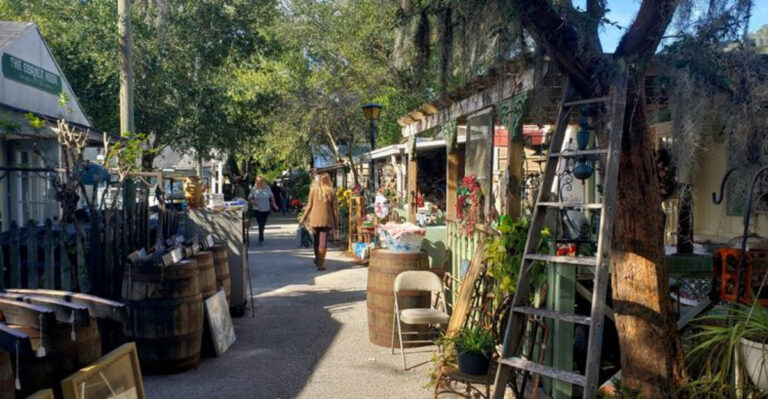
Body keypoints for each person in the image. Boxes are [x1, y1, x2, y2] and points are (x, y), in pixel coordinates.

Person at [298, 173, 338, 271]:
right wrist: (336, 223)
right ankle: (320, 263)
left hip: (315, 220)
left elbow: (309, 206)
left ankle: (317, 259)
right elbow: (335, 210)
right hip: (326, 220)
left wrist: (303, 218)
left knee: (316, 241)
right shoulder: (331, 192)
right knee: (323, 242)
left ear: (319, 180)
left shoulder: (313, 190)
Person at [248, 176, 279, 245]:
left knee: (263, 224)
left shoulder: (267, 188)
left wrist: (274, 204)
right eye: (259, 181)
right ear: (257, 181)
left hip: (266, 208)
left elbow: (272, 196)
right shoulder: (254, 189)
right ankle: (261, 238)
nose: (260, 183)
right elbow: (249, 198)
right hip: (257, 209)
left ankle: (261, 235)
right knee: (260, 224)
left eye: (261, 181)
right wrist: (253, 201)